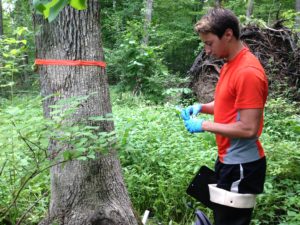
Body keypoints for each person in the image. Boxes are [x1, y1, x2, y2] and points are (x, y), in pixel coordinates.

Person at [181, 7, 268, 225]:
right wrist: (202, 107)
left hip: (242, 166)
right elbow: (226, 104)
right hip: (227, 161)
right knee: (222, 217)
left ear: (228, 34)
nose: (207, 50)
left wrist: (205, 125)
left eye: (209, 43)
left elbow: (248, 129)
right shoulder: (231, 64)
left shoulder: (248, 72)